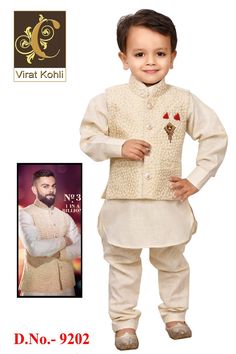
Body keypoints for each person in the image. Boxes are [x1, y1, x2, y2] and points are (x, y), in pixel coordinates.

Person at [80, 9, 227, 350]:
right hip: (124, 202)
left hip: (169, 199)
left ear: (173, 57)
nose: (150, 61)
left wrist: (197, 178)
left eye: (160, 53)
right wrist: (119, 145)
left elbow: (215, 135)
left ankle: (175, 314)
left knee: (172, 261)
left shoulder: (183, 100)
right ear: (123, 57)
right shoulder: (108, 99)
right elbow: (88, 139)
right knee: (123, 264)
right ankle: (124, 323)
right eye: (139, 54)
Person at [19, 169, 81, 296]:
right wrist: (65, 241)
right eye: (45, 186)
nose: (51, 190)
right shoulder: (24, 214)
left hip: (67, 288)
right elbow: (34, 248)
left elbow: (80, 247)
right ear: (34, 190)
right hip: (36, 289)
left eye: (53, 186)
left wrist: (59, 253)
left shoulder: (65, 216)